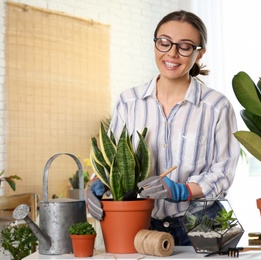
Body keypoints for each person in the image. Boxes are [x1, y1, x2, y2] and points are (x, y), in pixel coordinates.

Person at [87, 10, 240, 246]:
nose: (172, 53)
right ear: (155, 44)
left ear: (200, 54)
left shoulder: (216, 107)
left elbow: (223, 171)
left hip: (203, 221)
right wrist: (97, 184)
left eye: (185, 46)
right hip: (142, 224)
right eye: (164, 43)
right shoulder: (129, 102)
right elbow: (113, 160)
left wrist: (183, 191)